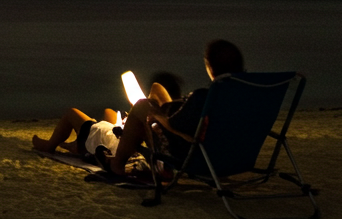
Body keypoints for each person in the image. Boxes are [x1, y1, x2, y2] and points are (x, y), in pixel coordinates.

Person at [105, 39, 244, 177]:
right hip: (235, 157)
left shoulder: (203, 98)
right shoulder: (246, 98)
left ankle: (116, 166)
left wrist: (156, 115)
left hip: (196, 158)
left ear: (210, 68)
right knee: (157, 91)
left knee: (142, 106)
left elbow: (174, 125)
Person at [31, 72, 184, 160]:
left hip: (104, 139)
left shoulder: (154, 119)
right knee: (108, 111)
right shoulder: (176, 120)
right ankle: (73, 144)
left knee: (71, 112)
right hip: (115, 137)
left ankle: (50, 146)